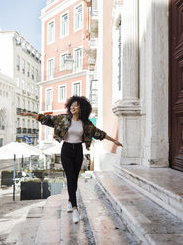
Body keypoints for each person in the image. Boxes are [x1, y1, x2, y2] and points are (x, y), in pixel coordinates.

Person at [20, 95, 122, 224]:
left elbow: (99, 133)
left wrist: (114, 141)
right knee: (70, 178)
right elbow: (45, 119)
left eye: (76, 105)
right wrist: (29, 114)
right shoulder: (63, 119)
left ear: (81, 108)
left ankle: (70, 201)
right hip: (66, 151)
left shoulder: (86, 124)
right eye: (71, 105)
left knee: (74, 178)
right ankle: (75, 209)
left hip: (78, 151)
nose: (73, 107)